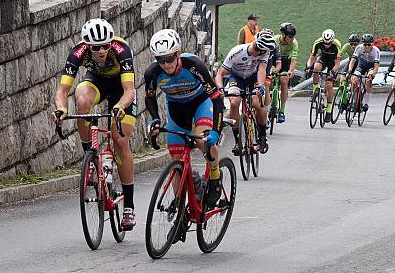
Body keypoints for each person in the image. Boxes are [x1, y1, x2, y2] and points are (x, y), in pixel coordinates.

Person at [53, 18, 137, 230]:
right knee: (81, 100)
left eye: (104, 46)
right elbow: (62, 91)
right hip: (97, 83)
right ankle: (89, 156)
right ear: (87, 46)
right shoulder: (78, 53)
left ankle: (129, 206)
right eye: (95, 48)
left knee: (119, 140)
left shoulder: (121, 49)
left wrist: (119, 107)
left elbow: (130, 90)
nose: (100, 51)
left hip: (121, 89)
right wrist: (61, 109)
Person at [144, 29, 224, 210]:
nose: (166, 64)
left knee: (202, 139)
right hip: (177, 108)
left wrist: (216, 131)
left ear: (178, 53)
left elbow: (216, 97)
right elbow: (149, 98)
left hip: (201, 103)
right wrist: (155, 119)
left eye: (170, 58)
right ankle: (179, 204)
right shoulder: (152, 73)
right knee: (176, 158)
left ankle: (215, 175)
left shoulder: (193, 64)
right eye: (160, 60)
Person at [216, 30, 276, 154]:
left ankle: (263, 136)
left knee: (257, 103)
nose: (266, 53)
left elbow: (261, 70)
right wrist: (220, 88)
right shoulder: (237, 52)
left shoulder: (265, 52)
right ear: (260, 48)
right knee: (233, 103)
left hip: (253, 78)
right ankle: (238, 141)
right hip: (236, 78)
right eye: (265, 51)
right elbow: (220, 73)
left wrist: (260, 86)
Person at [307, 29, 342, 123]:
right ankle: (315, 91)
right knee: (316, 68)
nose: (327, 45)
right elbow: (312, 58)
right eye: (325, 43)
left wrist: (333, 72)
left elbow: (337, 64)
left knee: (329, 85)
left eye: (329, 43)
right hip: (323, 58)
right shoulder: (318, 42)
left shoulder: (336, 45)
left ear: (332, 40)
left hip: (333, 62)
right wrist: (309, 67)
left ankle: (329, 110)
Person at [348, 33, 381, 112]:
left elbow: (376, 66)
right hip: (362, 64)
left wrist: (372, 74)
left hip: (371, 66)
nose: (366, 47)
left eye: (369, 45)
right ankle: (355, 102)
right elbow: (353, 61)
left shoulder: (376, 51)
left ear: (372, 44)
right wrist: (350, 70)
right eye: (365, 45)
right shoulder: (359, 48)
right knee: (354, 79)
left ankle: (366, 103)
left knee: (368, 80)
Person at [273, 23, 299, 123]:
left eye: (293, 36)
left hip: (285, 62)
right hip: (275, 61)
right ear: (283, 35)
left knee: (284, 81)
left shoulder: (294, 43)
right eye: (290, 36)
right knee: (268, 80)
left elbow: (294, 59)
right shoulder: (275, 40)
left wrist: (290, 71)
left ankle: (282, 111)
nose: (292, 39)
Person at [264, 29, 282, 110]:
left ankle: (267, 107)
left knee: (267, 82)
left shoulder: (275, 47)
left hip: (271, 63)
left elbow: (278, 64)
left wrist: (275, 71)